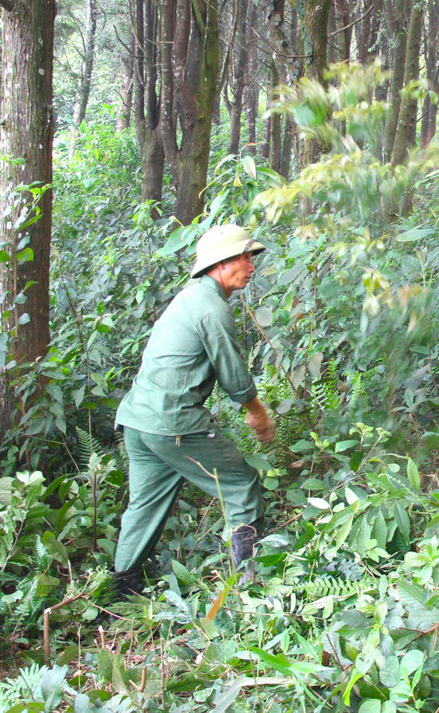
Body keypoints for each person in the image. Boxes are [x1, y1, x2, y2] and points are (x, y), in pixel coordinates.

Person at [109, 224, 277, 598]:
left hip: (138, 421)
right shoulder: (211, 309)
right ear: (221, 262)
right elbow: (234, 376)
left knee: (145, 504)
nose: (252, 267)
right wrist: (258, 413)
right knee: (241, 484)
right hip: (173, 422)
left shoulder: (189, 298)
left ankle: (121, 587)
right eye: (245, 257)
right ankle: (246, 585)